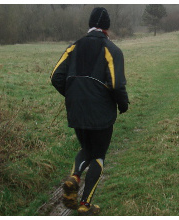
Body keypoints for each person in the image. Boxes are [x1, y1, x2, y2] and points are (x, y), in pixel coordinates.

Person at [50, 7, 129, 215]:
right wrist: (123, 105)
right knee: (99, 155)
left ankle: (74, 177)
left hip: (76, 109)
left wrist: (74, 95)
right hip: (100, 112)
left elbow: (55, 77)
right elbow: (117, 85)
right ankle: (85, 204)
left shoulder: (73, 47)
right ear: (107, 28)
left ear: (90, 25)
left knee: (87, 147)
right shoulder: (112, 49)